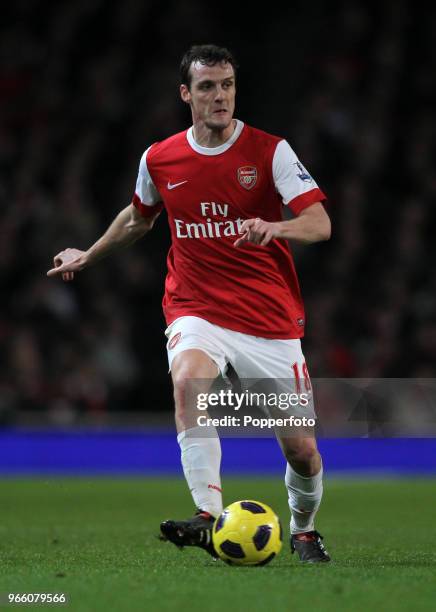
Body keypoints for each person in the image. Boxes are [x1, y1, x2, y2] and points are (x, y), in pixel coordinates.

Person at [47, 44, 332, 563]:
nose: (219, 96)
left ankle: (304, 529)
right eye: (207, 87)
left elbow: (320, 223)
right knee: (188, 381)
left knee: (303, 453)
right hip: (195, 305)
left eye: (226, 85)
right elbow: (139, 218)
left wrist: (276, 226)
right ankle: (206, 514)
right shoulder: (160, 158)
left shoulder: (271, 152)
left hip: (268, 319)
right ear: (187, 94)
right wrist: (87, 255)